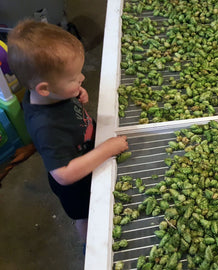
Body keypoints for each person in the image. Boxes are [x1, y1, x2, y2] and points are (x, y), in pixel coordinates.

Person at [7, 20, 129, 246]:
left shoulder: (46, 93)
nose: (82, 78)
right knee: (87, 216)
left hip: (85, 150)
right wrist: (106, 149)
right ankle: (89, 246)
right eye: (74, 78)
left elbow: (62, 94)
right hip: (77, 185)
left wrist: (75, 91)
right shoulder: (46, 127)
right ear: (44, 88)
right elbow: (63, 174)